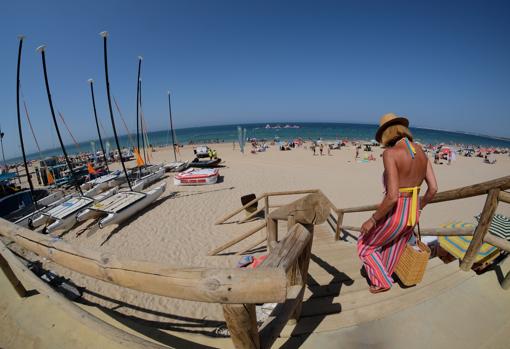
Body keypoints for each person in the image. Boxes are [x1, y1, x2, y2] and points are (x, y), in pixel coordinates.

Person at [357, 113, 438, 294]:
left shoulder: (390, 154)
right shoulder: (422, 152)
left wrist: (373, 219)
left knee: (364, 246)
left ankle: (383, 281)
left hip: (396, 212)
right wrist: (419, 206)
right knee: (395, 245)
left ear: (387, 133)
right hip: (412, 212)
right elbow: (433, 189)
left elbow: (393, 196)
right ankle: (384, 275)